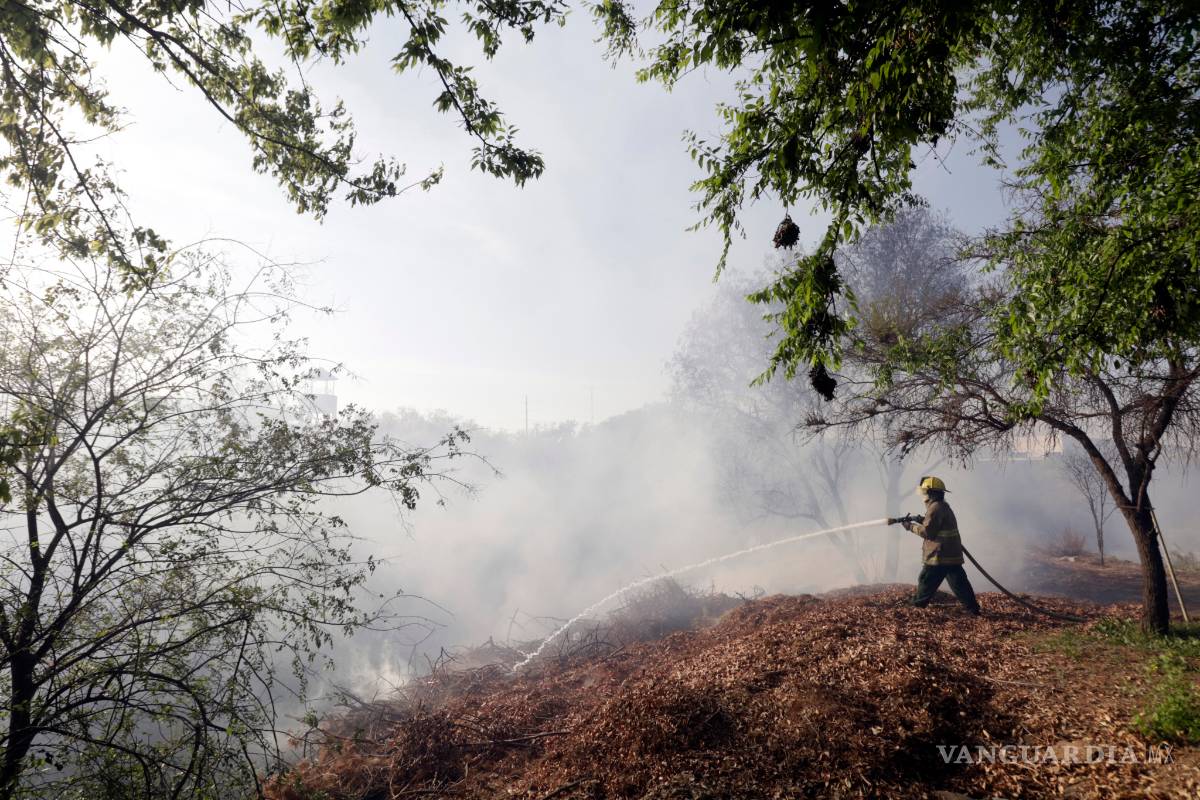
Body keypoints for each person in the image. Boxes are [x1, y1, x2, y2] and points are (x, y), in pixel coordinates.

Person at [901, 476, 981, 615]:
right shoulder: (942, 506)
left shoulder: (935, 508)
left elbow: (928, 532)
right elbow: (937, 524)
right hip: (951, 554)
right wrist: (922, 519)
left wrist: (910, 527)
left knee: (926, 580)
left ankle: (917, 607)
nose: (923, 495)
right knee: (959, 584)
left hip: (939, 555)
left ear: (931, 493)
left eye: (924, 492)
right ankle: (973, 609)